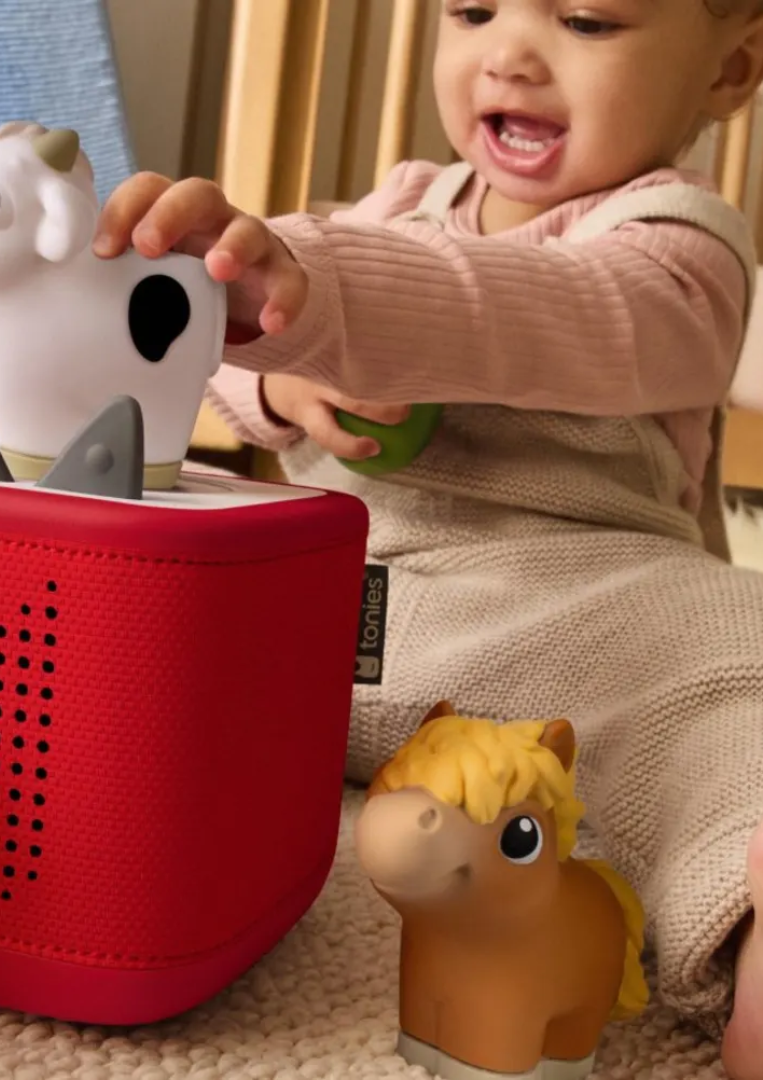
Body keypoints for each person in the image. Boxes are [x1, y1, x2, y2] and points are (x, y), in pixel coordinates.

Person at [94, 2, 763, 1075]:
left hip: (570, 612)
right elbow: (235, 361)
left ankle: (747, 920)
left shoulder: (682, 243)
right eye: (471, 10)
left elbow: (563, 315)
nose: (508, 52)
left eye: (587, 20)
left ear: (730, 67)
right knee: (128, 539)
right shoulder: (399, 205)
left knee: (733, 671)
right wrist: (267, 361)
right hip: (327, 591)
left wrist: (329, 293)